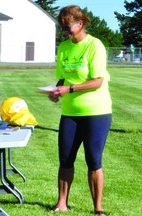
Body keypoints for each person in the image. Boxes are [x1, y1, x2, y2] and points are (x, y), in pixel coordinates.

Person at [48, 5, 112, 216]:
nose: (64, 31)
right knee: (65, 159)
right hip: (70, 113)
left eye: (67, 27)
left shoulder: (95, 45)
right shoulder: (64, 48)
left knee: (94, 160)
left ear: (80, 23)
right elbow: (62, 78)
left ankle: (98, 208)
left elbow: (97, 81)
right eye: (62, 28)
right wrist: (57, 90)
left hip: (96, 112)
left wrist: (71, 88)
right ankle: (61, 203)